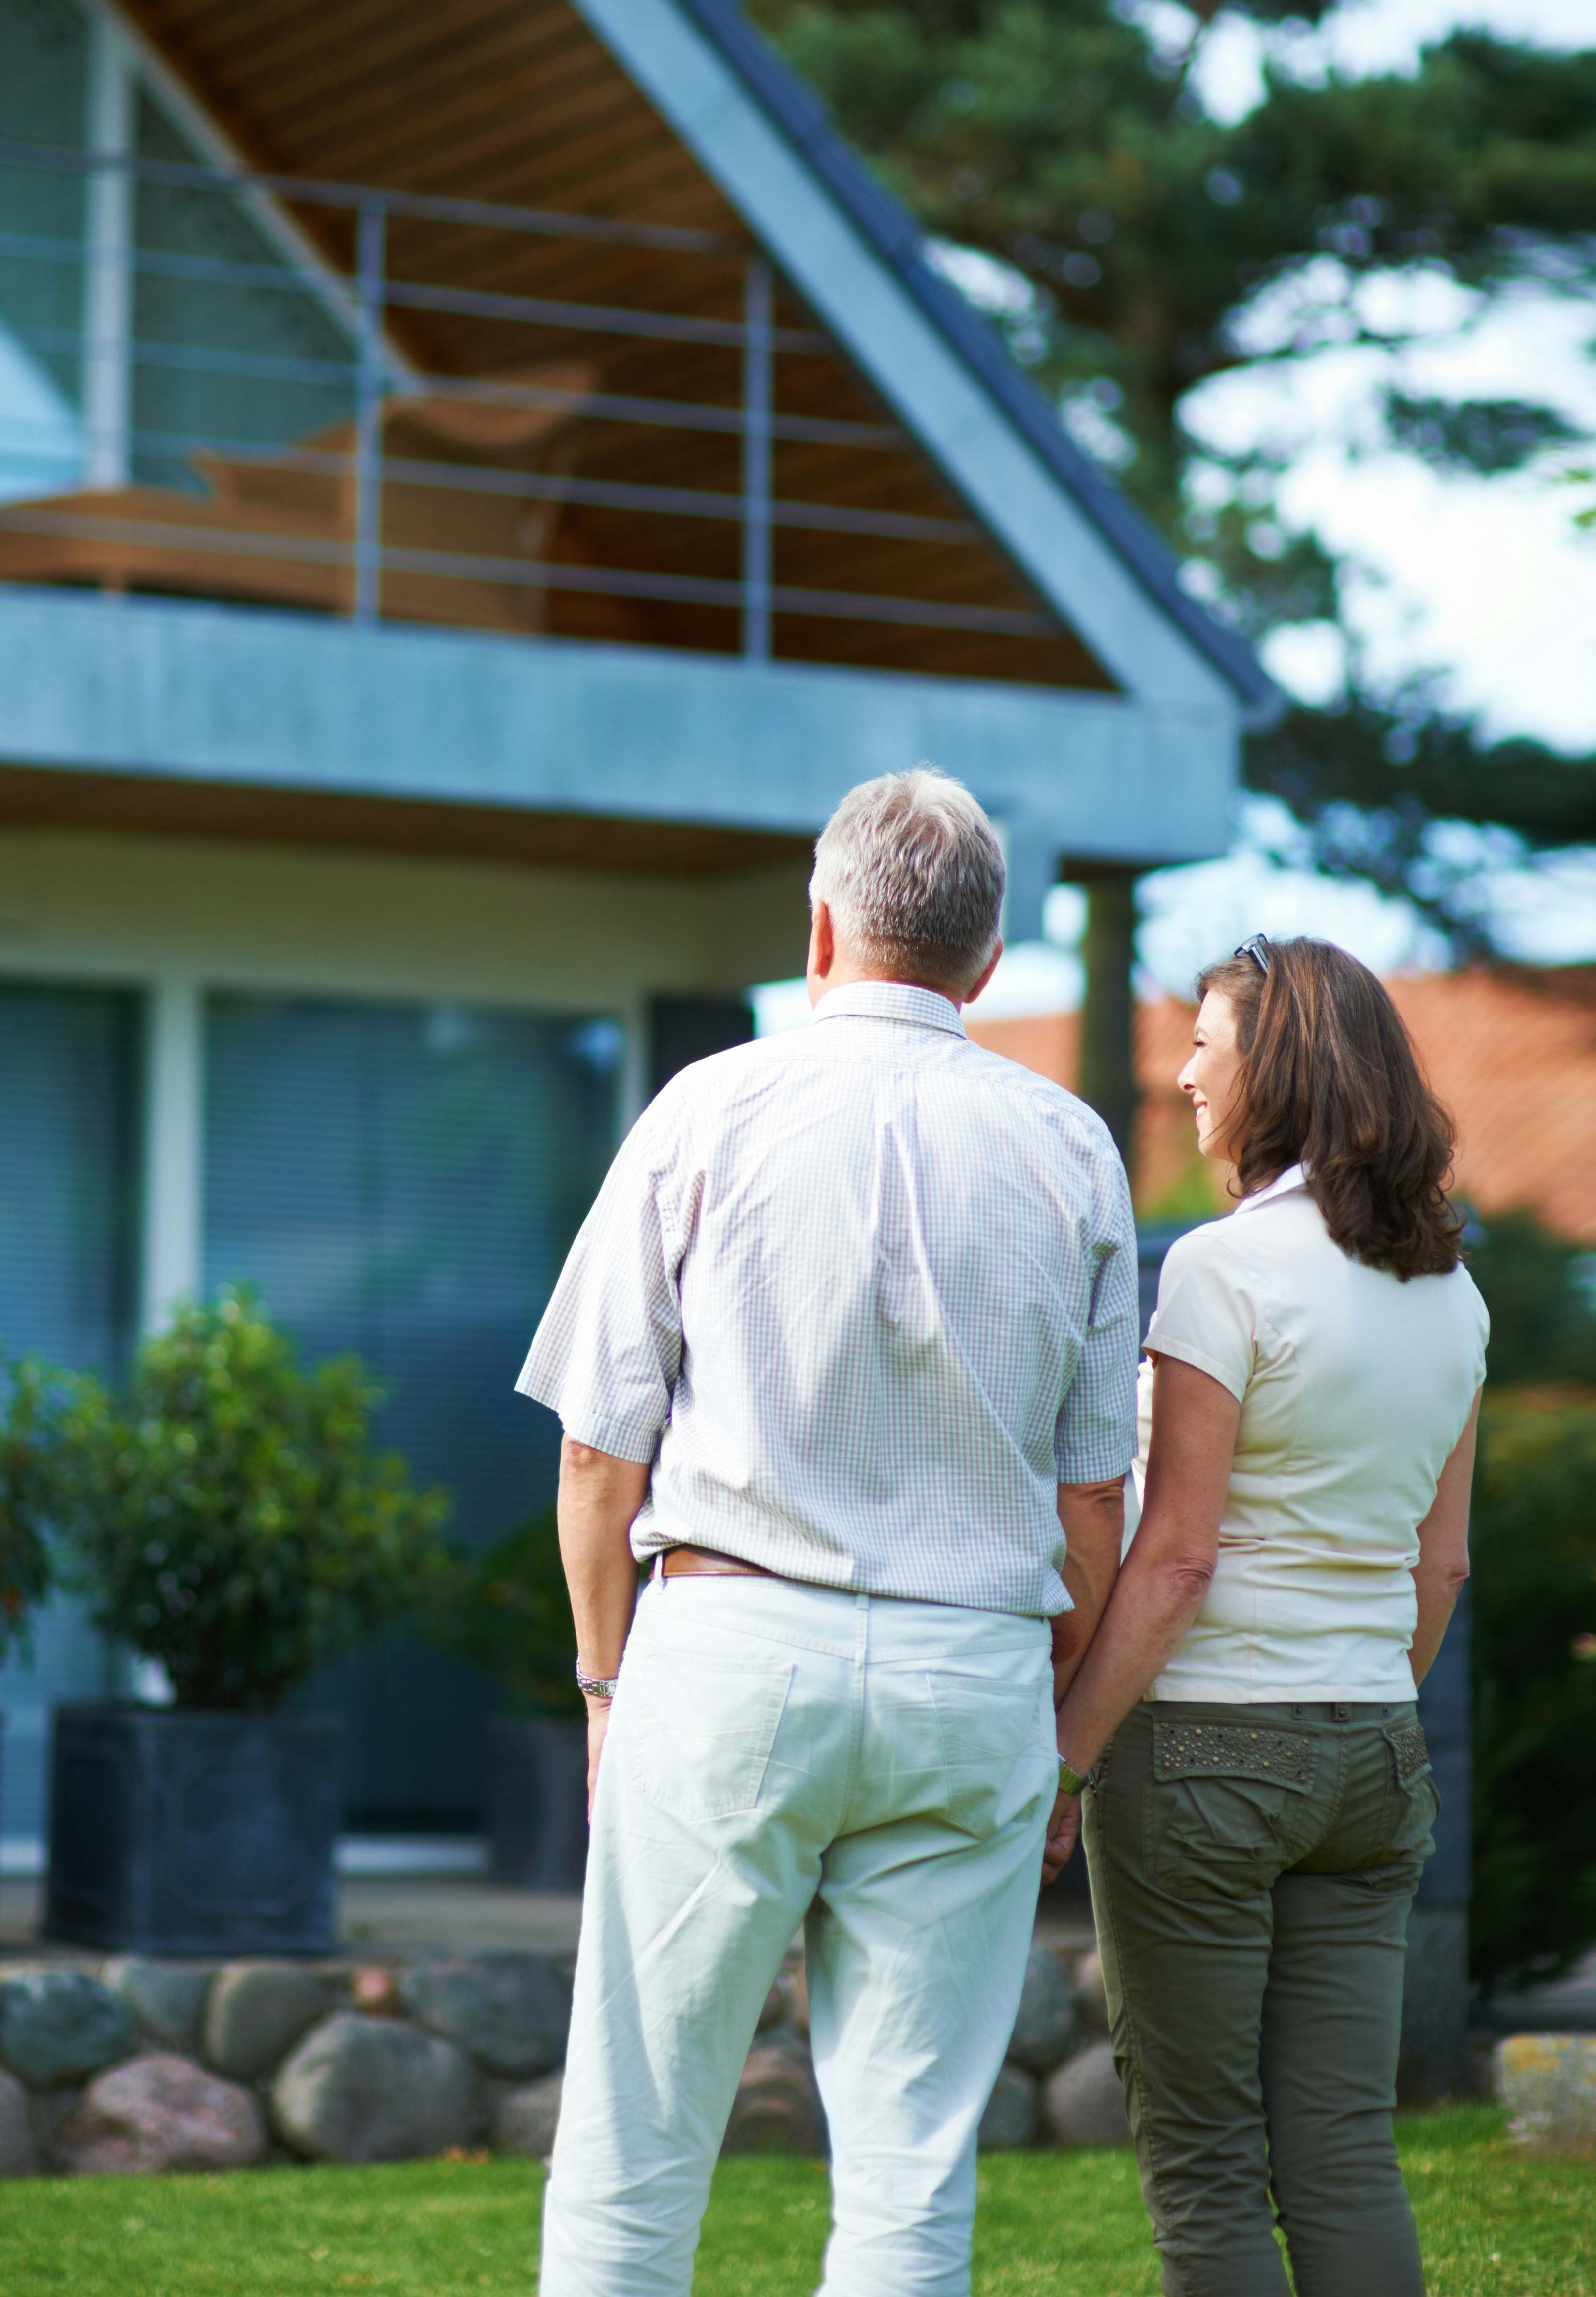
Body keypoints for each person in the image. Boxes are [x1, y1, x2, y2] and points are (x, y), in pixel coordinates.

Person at [514, 765, 1137, 2297]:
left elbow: (599, 1458)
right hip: (974, 1671)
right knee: (912, 2177)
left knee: (635, 2144)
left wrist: (607, 1687)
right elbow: (1091, 1504)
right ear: (988, 962)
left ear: (819, 928)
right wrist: (1055, 1728)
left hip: (729, 1649)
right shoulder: (1073, 1151)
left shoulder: (708, 1106)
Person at [1052, 934, 1487, 2297]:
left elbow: (1174, 1561)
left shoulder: (1222, 1272)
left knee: (1203, 2156)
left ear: (1276, 1072)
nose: (1182, 1074)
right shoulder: (1454, 1294)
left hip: (1199, 1758)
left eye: (1206, 1045)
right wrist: (1361, 1704)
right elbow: (1444, 1569)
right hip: (1372, 1752)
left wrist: (1063, 1757)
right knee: (1346, 2150)